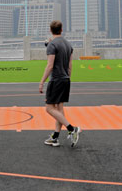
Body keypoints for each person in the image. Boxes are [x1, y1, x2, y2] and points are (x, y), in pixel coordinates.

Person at [39, 20, 80, 148]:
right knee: (59, 110)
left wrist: (41, 82)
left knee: (49, 108)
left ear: (51, 30)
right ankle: (55, 137)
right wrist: (68, 76)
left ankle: (71, 128)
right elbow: (70, 65)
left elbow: (50, 65)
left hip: (56, 80)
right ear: (61, 30)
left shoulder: (52, 45)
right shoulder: (68, 45)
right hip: (66, 79)